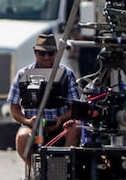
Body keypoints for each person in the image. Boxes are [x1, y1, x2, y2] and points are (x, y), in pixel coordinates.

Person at [7, 32, 81, 163]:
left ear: (56, 53)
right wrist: (28, 121)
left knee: (75, 129)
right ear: (35, 53)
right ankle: (34, 171)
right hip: (33, 127)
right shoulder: (23, 74)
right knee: (22, 137)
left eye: (50, 53)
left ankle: (62, 168)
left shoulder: (67, 74)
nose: (46, 57)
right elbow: (14, 108)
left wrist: (61, 119)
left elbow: (74, 107)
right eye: (42, 53)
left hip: (60, 125)